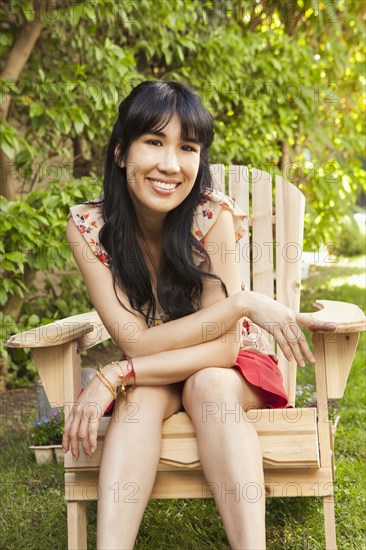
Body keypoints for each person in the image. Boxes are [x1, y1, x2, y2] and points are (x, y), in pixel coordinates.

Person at [62, 81, 331, 549]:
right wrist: (239, 305)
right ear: (122, 152)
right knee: (137, 401)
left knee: (207, 383)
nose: (170, 164)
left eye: (187, 147)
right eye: (154, 142)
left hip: (230, 364)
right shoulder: (90, 228)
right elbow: (136, 341)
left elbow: (225, 345)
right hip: (154, 370)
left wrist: (117, 372)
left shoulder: (211, 215)